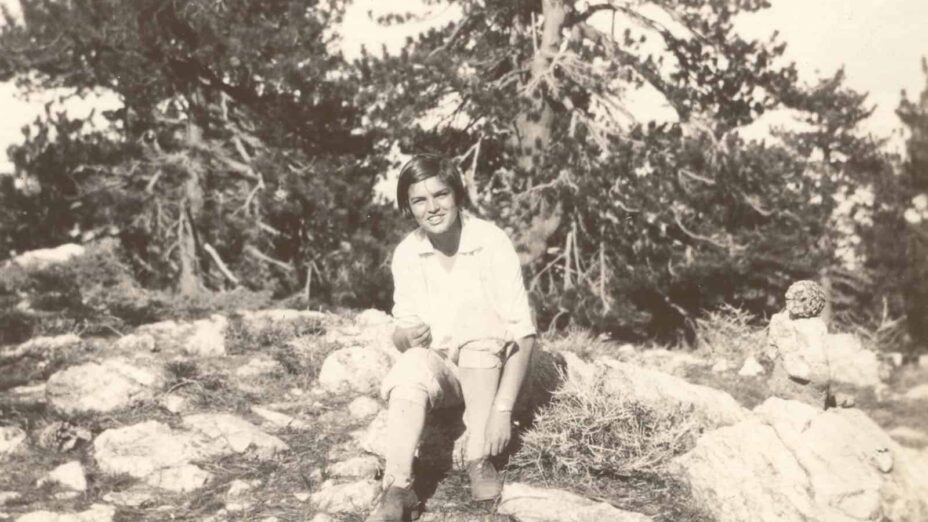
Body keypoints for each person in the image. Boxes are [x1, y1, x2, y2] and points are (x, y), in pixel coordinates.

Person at [367, 153, 537, 522]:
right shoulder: (408, 253)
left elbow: (523, 335)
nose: (432, 208)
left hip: (491, 367)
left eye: (440, 195)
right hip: (445, 373)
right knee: (411, 366)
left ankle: (479, 458)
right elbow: (401, 334)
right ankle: (399, 488)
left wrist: (502, 410)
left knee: (477, 317)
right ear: (408, 208)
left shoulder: (491, 242)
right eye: (419, 200)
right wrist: (406, 337)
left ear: (457, 195)